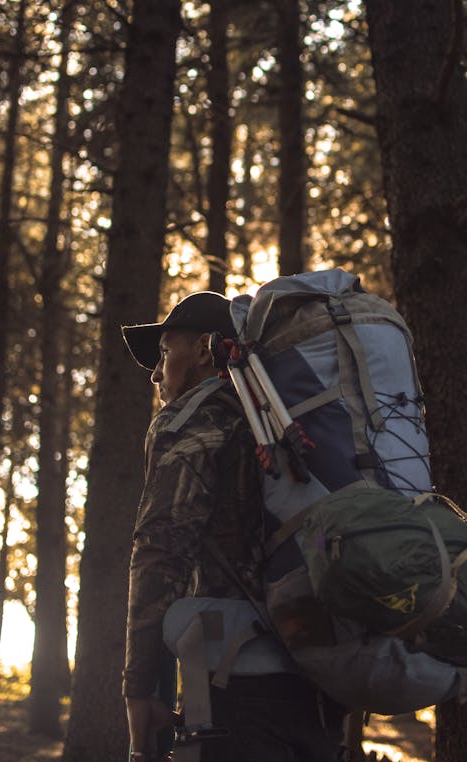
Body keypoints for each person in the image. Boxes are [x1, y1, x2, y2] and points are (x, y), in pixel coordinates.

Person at [121, 290, 345, 762]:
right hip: (324, 680)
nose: (156, 373)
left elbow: (160, 550)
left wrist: (140, 688)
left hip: (236, 684)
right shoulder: (284, 425)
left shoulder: (190, 422)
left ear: (204, 350)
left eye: (163, 353)